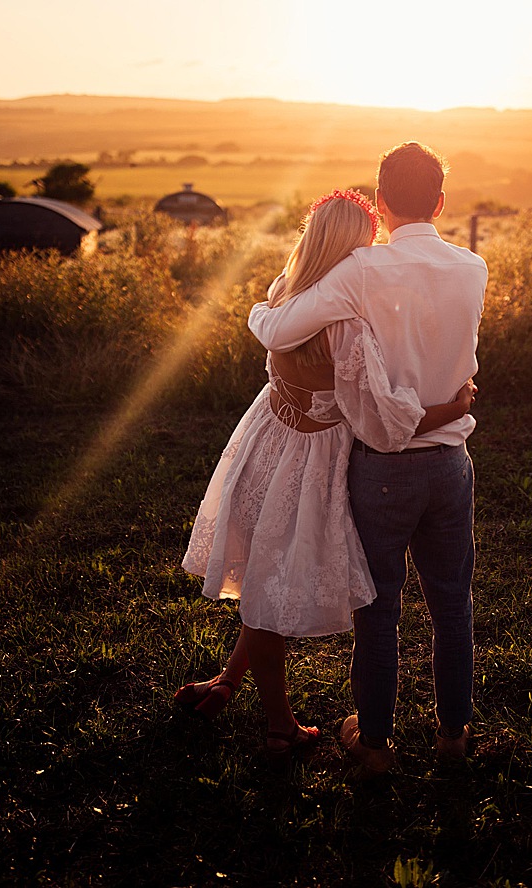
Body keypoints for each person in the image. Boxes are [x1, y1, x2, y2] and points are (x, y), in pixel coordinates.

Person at [177, 188, 477, 762]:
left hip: (266, 445)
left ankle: (228, 684)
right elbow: (386, 417)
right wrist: (453, 407)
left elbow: (268, 326)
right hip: (319, 463)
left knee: (266, 580)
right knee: (282, 589)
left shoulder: (283, 298)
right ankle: (280, 726)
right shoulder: (347, 324)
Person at [248, 142, 488, 775]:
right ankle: (454, 736)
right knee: (452, 603)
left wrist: (258, 307)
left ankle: (376, 746)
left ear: (379, 206)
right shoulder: (473, 269)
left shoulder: (362, 272)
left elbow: (279, 330)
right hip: (452, 462)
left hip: (382, 468)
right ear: (441, 202)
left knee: (380, 608)